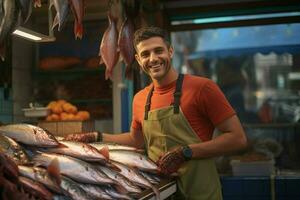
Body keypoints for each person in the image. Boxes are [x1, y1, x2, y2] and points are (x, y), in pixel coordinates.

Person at [65, 26, 248, 200]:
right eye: (145, 54)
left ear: (170, 51)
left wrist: (186, 152)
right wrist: (96, 136)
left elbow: (237, 138)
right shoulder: (140, 98)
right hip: (160, 192)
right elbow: (137, 140)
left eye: (158, 51)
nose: (153, 59)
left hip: (200, 192)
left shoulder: (202, 88)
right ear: (138, 60)